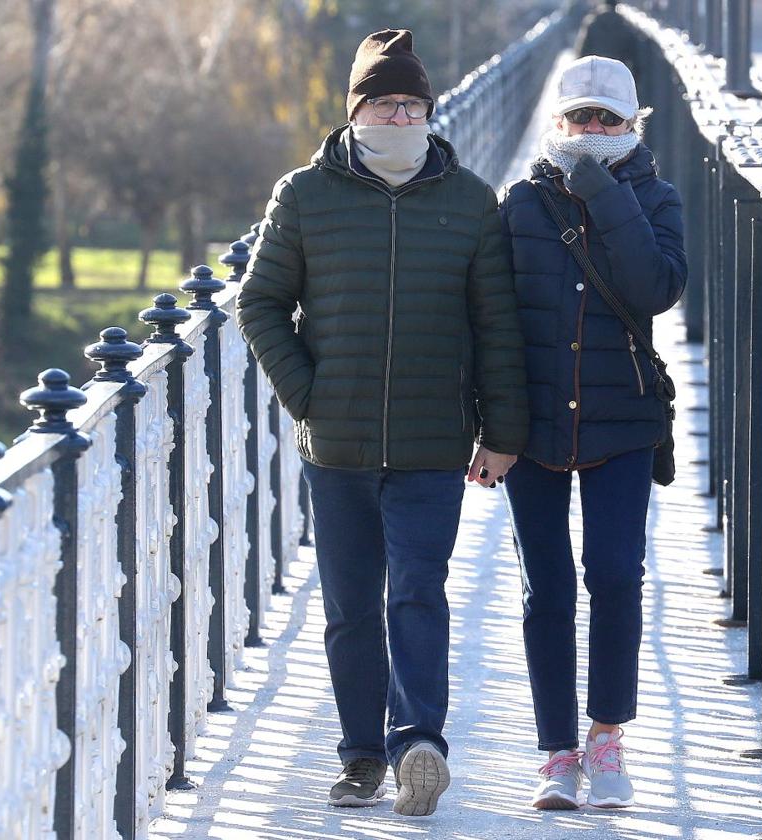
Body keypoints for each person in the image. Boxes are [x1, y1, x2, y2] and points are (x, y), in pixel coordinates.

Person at [237, 29, 527, 817]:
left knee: (419, 592)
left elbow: (496, 325)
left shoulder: (469, 200)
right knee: (351, 609)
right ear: (356, 110)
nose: (400, 117)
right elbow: (260, 302)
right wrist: (310, 395)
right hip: (336, 446)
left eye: (413, 105)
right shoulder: (302, 195)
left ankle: (418, 745)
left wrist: (502, 433)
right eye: (385, 103)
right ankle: (360, 756)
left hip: (435, 443)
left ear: (430, 113)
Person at [498, 55, 687, 810]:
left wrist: (602, 191)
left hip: (624, 419)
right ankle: (557, 752)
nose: (591, 130)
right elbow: (492, 322)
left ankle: (607, 738)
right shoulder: (518, 204)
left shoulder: (657, 197)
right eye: (579, 117)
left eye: (608, 118)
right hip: (533, 425)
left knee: (613, 573)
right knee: (544, 587)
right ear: (557, 121)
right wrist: (493, 425)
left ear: (633, 125)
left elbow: (655, 289)